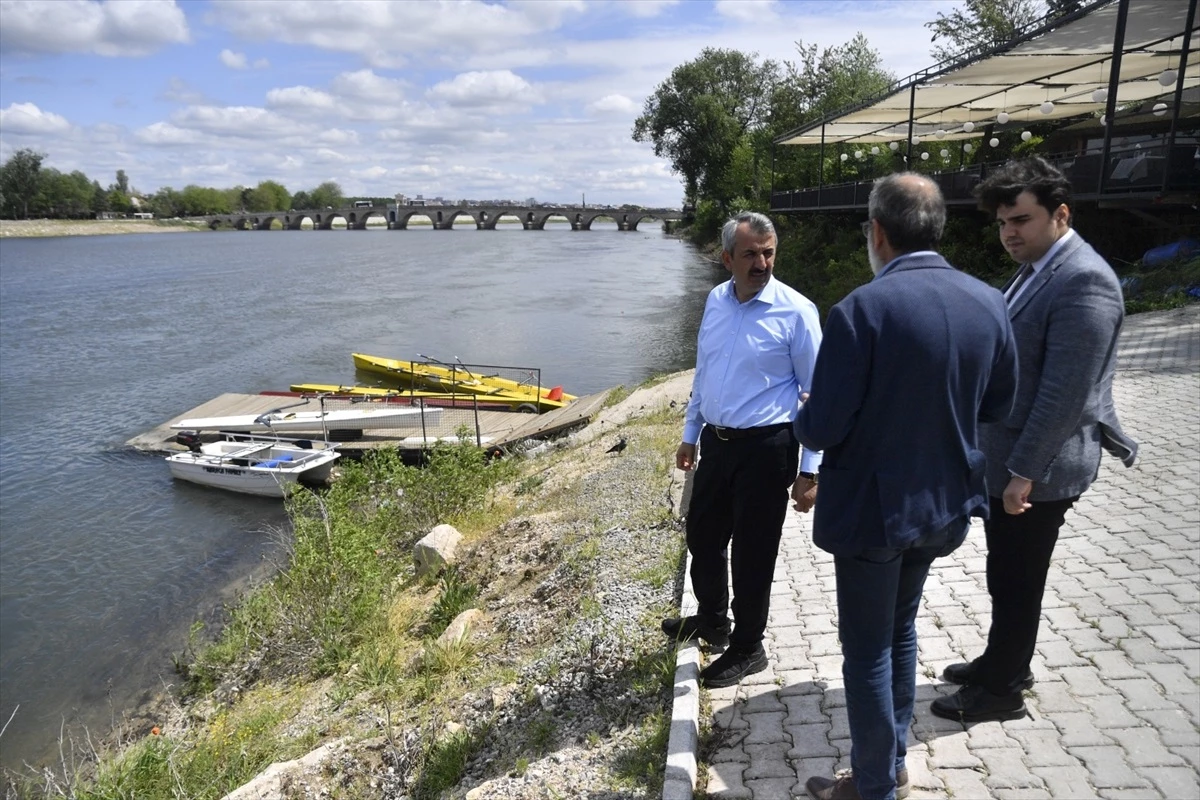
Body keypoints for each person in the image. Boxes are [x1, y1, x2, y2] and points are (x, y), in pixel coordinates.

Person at [795, 173, 1018, 800]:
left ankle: (873, 787)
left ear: (878, 232)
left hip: (872, 513)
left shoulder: (861, 310)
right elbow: (999, 404)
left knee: (867, 650)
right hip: (942, 503)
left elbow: (824, 425)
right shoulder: (989, 301)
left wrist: (807, 409)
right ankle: (888, 763)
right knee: (899, 629)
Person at [931, 156, 1137, 723]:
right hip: (1014, 462)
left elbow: (1065, 395)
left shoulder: (1085, 281)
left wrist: (1024, 472)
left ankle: (1000, 693)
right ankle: (1004, 661)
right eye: (1002, 223)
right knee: (1007, 572)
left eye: (1020, 219)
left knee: (1018, 579)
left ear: (1060, 214)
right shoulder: (1039, 266)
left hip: (1039, 469)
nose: (1009, 233)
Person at [663, 211, 822, 689]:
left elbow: (817, 395)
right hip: (716, 441)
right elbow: (705, 372)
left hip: (768, 448)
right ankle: (712, 619)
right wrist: (691, 433)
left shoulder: (796, 311)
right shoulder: (715, 300)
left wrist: (810, 471)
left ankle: (749, 647)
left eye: (769, 252)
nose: (762, 262)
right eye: (751, 253)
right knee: (702, 538)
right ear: (727, 257)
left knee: (754, 553)